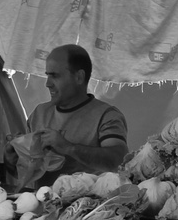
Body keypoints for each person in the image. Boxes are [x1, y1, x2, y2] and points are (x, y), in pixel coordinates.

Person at [19, 44, 128, 182]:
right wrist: (14, 157)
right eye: (47, 76)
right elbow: (24, 169)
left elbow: (118, 161)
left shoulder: (106, 116)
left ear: (79, 77)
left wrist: (68, 148)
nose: (48, 84)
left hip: (89, 202)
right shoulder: (39, 113)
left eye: (55, 76)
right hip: (41, 201)